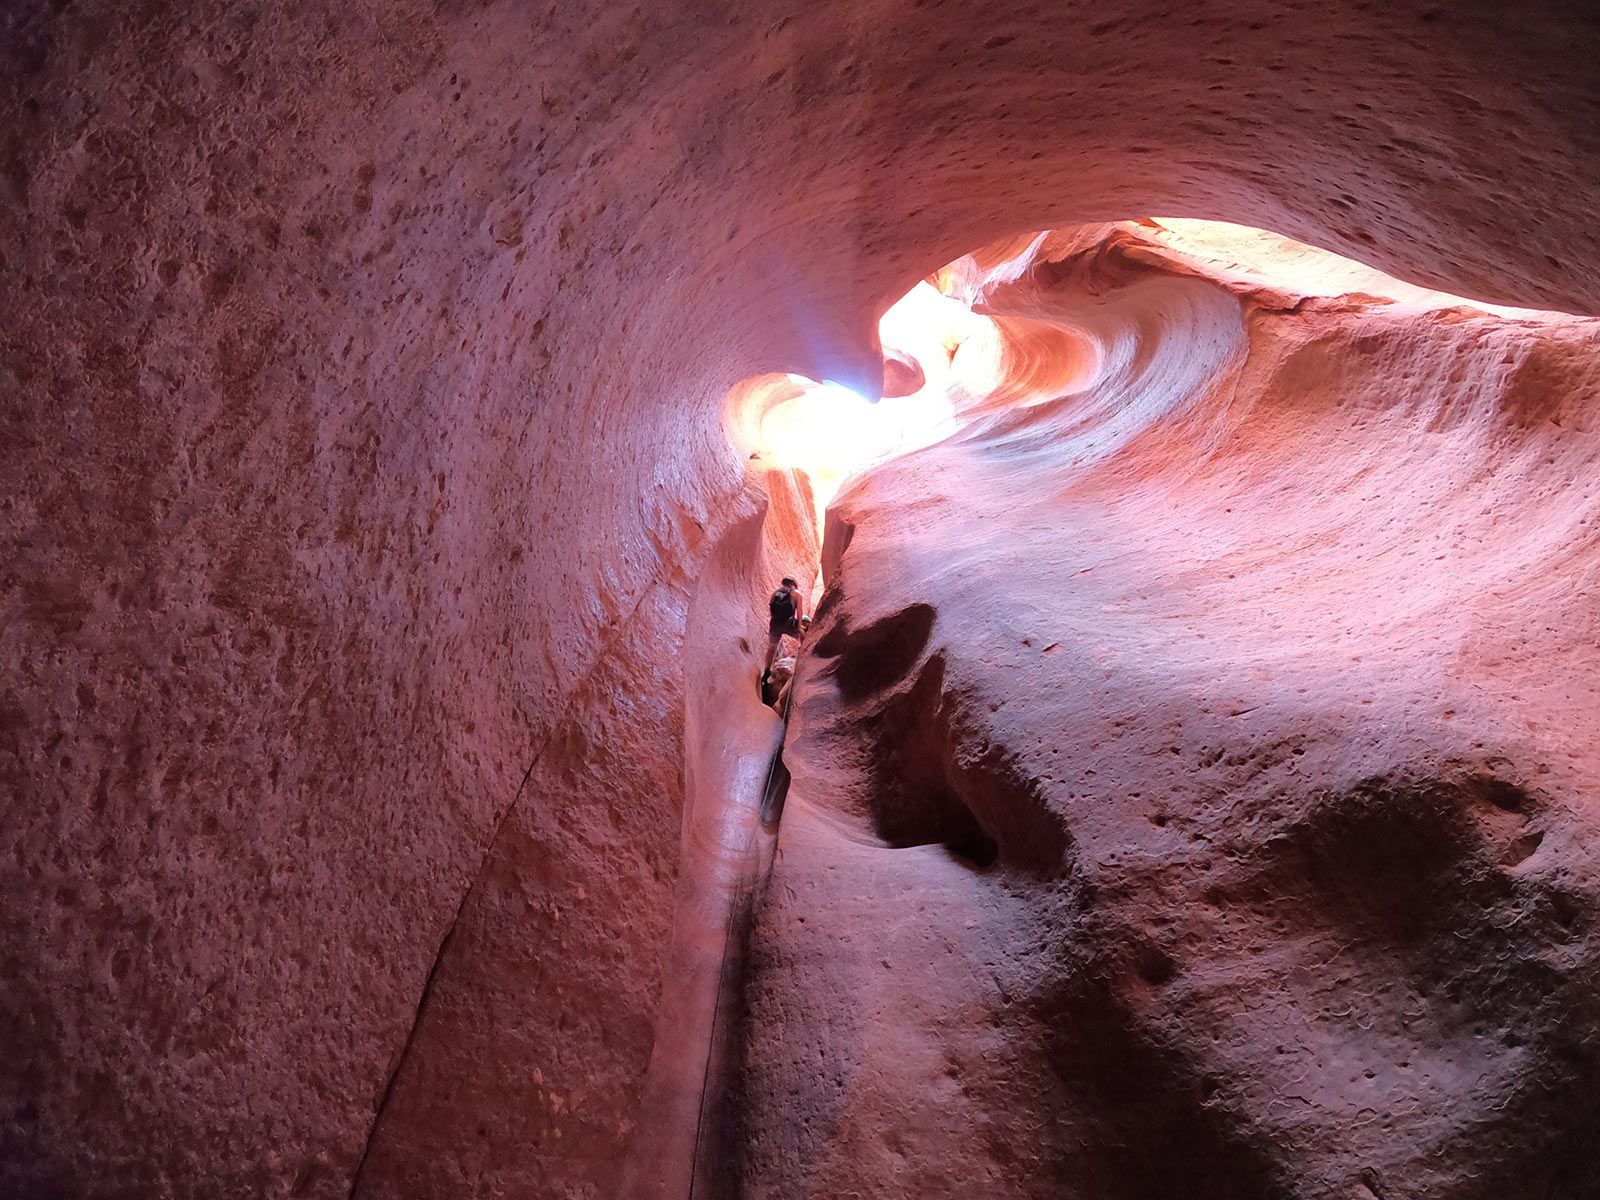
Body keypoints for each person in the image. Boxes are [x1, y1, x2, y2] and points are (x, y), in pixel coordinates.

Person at [762, 576, 804, 683]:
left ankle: (767, 671)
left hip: (775, 624)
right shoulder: (797, 594)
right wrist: (799, 627)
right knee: (804, 637)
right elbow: (799, 612)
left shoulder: (774, 594)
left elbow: (772, 612)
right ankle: (805, 659)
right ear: (793, 584)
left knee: (771, 648)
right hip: (788, 623)